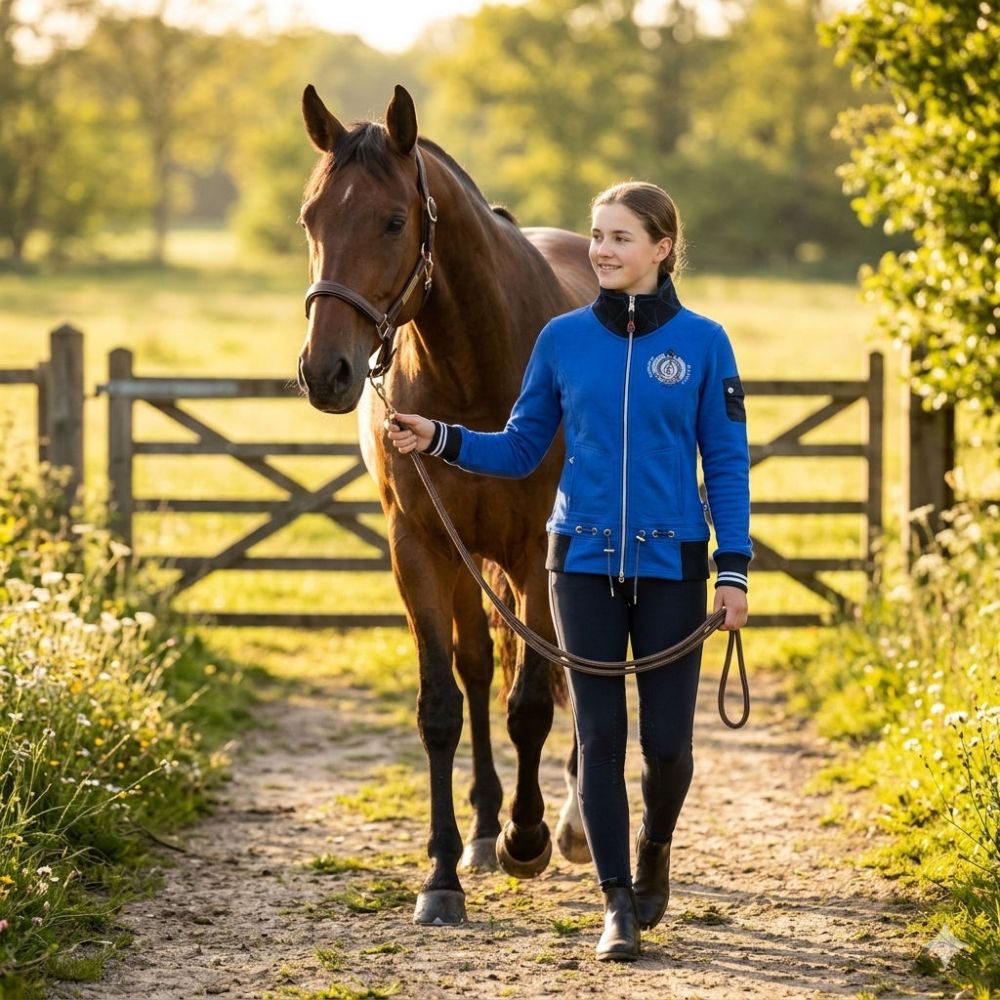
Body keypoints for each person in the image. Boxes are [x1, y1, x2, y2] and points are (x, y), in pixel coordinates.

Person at [387, 181, 751, 962]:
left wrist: (734, 570)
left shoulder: (705, 343)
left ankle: (655, 851)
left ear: (662, 249)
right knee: (600, 734)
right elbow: (520, 449)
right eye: (596, 235)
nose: (602, 251)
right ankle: (616, 902)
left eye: (620, 238)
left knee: (669, 750)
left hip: (672, 561)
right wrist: (440, 437)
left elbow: (725, 463)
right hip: (579, 560)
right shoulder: (559, 341)